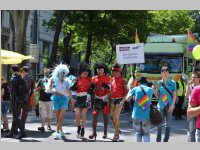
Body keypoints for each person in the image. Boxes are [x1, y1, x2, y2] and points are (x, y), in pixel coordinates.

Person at [46, 64, 74, 140]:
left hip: (64, 99)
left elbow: (69, 91)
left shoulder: (67, 80)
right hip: (56, 99)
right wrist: (51, 84)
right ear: (58, 73)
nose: (63, 75)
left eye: (64, 73)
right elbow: (49, 90)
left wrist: (71, 99)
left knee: (61, 116)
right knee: (58, 117)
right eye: (61, 73)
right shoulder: (53, 79)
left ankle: (57, 132)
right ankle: (61, 130)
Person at [121, 77, 154, 142]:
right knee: (146, 134)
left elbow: (127, 99)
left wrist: (130, 90)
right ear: (146, 82)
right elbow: (156, 95)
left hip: (136, 115)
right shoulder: (150, 90)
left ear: (138, 83)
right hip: (146, 115)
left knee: (138, 133)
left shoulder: (135, 89)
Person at [89, 62, 111, 140]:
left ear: (104, 70)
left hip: (105, 99)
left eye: (101, 70)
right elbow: (90, 89)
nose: (99, 71)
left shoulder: (108, 78)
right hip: (97, 98)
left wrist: (106, 88)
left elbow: (110, 88)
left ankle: (105, 132)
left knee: (105, 116)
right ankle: (94, 132)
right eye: (98, 70)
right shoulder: (93, 78)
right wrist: (93, 89)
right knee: (94, 116)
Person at [155, 66, 177, 142]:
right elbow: (157, 96)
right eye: (164, 72)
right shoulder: (158, 83)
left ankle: (165, 140)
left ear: (169, 73)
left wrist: (173, 105)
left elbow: (174, 95)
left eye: (167, 72)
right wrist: (155, 91)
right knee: (159, 124)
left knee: (168, 124)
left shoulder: (173, 82)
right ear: (161, 73)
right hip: (160, 106)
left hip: (169, 106)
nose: (165, 74)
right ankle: (158, 140)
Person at [6, 65, 28, 139]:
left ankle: (22, 132)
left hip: (15, 100)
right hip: (19, 99)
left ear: (12, 70)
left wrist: (13, 100)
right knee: (15, 117)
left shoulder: (14, 78)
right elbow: (26, 89)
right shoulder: (20, 77)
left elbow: (13, 92)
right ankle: (11, 133)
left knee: (15, 117)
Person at [109, 63, 128, 141]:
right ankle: (118, 129)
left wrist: (123, 101)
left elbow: (128, 92)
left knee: (116, 117)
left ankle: (116, 134)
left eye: (116, 71)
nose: (114, 72)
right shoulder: (112, 79)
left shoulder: (123, 80)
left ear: (120, 72)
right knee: (111, 117)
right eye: (113, 70)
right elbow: (112, 90)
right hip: (112, 100)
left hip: (120, 100)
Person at [73, 62, 91, 138]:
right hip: (78, 97)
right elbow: (72, 88)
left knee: (83, 115)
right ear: (80, 72)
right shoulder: (76, 79)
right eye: (84, 71)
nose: (86, 73)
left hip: (86, 98)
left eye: (87, 71)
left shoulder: (90, 79)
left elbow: (93, 89)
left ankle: (83, 129)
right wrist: (74, 86)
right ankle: (78, 127)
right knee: (77, 114)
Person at [36, 68, 53, 132]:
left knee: (49, 113)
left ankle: (48, 125)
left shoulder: (52, 80)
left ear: (49, 73)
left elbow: (53, 89)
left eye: (47, 73)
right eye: (45, 73)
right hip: (42, 99)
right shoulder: (41, 80)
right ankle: (42, 126)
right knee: (42, 114)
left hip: (49, 99)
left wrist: (50, 85)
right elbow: (37, 89)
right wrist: (39, 88)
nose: (46, 74)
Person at [186, 71, 200, 142]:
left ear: (199, 79)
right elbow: (186, 96)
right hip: (191, 109)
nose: (193, 79)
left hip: (197, 110)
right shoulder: (190, 86)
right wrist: (188, 87)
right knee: (191, 129)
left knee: (197, 128)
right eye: (192, 77)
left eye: (195, 77)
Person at [20, 66, 35, 131]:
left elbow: (20, 88)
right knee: (24, 113)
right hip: (27, 98)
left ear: (23, 71)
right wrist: (29, 96)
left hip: (20, 98)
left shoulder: (22, 78)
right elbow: (32, 89)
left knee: (18, 113)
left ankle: (20, 127)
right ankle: (22, 126)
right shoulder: (31, 78)